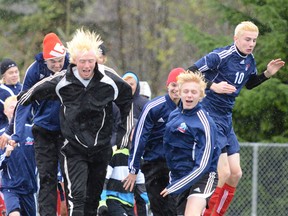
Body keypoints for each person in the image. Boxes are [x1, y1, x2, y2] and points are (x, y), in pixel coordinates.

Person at [18, 28, 133, 216]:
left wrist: (122, 135)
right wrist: (20, 100)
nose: (87, 66)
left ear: (96, 60)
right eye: (82, 62)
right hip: (74, 148)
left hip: (101, 147)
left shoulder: (109, 79)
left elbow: (127, 100)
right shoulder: (62, 80)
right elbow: (30, 93)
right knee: (77, 197)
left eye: (90, 61)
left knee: (93, 198)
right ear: (73, 61)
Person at [187, 21, 285, 216]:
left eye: (254, 40)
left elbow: (249, 83)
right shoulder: (220, 56)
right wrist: (213, 86)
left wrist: (267, 74)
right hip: (210, 116)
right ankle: (203, 213)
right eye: (247, 39)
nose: (251, 44)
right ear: (236, 39)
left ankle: (216, 213)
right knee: (222, 172)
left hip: (226, 119)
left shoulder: (250, 60)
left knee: (235, 173)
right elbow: (190, 72)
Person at [5, 32, 69, 216]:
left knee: (70, 179)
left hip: (68, 132)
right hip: (43, 130)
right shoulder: (35, 70)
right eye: (53, 62)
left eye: (60, 60)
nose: (57, 65)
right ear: (44, 60)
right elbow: (23, 103)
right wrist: (15, 133)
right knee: (47, 178)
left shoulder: (73, 65)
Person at [123, 67, 185, 216]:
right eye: (174, 85)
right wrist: (133, 168)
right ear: (167, 85)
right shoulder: (154, 107)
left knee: (177, 209)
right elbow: (139, 137)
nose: (177, 89)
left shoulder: (190, 108)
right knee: (160, 210)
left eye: (181, 85)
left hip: (179, 167)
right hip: (155, 165)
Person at [160, 71, 220, 216]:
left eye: (194, 92)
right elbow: (169, 149)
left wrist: (175, 186)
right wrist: (174, 177)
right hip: (180, 176)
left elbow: (203, 165)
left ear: (201, 96)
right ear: (180, 93)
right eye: (186, 91)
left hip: (203, 176)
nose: (189, 95)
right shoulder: (174, 115)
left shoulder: (204, 123)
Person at [0, 96, 37, 216]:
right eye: (12, 107)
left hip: (29, 187)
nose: (15, 110)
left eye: (18, 107)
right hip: (11, 187)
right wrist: (7, 154)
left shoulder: (32, 131)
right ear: (5, 112)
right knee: (14, 214)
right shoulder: (2, 136)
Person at [122, 71, 150, 216]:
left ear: (137, 86)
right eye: (126, 83)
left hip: (141, 155)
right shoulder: (116, 103)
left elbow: (149, 128)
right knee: (121, 193)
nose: (129, 86)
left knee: (141, 194)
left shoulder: (144, 104)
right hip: (120, 155)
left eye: (131, 84)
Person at [0, 59, 22, 134]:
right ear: (4, 75)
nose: (14, 75)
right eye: (11, 73)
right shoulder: (2, 91)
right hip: (5, 127)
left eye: (16, 72)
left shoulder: (22, 87)